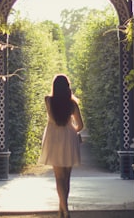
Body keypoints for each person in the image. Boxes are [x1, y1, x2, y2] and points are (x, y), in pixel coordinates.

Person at [39, 74, 84, 218]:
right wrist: (72, 132)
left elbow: (52, 118)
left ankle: (63, 210)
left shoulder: (48, 100)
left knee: (58, 177)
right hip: (68, 138)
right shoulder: (72, 104)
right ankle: (63, 208)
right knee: (66, 178)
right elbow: (80, 125)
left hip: (53, 138)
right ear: (67, 87)